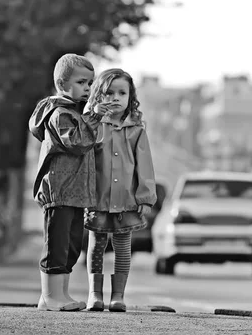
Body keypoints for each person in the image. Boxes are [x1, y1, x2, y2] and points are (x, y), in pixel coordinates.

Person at [29, 54, 114, 311]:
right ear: (62, 84)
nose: (88, 89)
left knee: (72, 245)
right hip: (60, 190)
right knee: (57, 244)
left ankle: (60, 294)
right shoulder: (59, 114)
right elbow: (76, 143)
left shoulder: (78, 113)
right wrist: (93, 117)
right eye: (82, 83)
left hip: (76, 192)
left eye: (90, 83)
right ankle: (50, 295)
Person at [83, 68, 157, 312]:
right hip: (97, 199)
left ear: (130, 97)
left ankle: (118, 295)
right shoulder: (93, 127)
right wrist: (92, 118)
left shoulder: (137, 130)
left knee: (123, 246)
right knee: (96, 246)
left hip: (127, 200)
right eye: (109, 93)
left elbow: (144, 166)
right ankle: (95, 294)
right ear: (97, 97)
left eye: (121, 93)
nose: (115, 98)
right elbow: (82, 155)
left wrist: (145, 197)